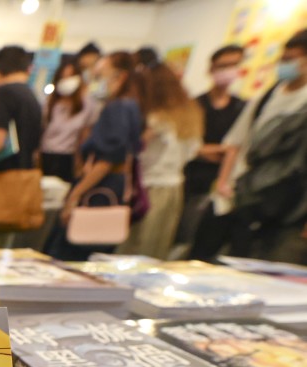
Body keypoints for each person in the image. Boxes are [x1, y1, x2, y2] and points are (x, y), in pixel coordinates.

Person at [191, 30, 307, 263]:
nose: (285, 65)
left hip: (280, 206)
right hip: (236, 193)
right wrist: (224, 183)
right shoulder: (269, 95)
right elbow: (236, 143)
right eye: (283, 59)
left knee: (253, 268)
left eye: (292, 59)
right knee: (202, 258)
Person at [44, 52, 144, 261]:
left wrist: (75, 196)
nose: (96, 82)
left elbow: (107, 161)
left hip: (99, 191)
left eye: (101, 76)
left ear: (120, 76)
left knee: (68, 257)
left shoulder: (118, 108)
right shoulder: (130, 106)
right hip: (111, 188)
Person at [118, 63, 203, 260]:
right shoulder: (189, 114)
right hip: (173, 187)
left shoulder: (156, 119)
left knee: (136, 247)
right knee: (155, 247)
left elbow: (134, 151)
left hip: (150, 186)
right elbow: (193, 151)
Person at [177, 45, 245, 252]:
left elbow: (236, 148)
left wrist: (218, 151)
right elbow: (187, 145)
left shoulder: (242, 107)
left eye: (234, 65)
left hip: (221, 186)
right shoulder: (195, 104)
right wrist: (219, 150)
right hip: (189, 181)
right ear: (211, 68)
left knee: (204, 243)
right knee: (181, 237)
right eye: (223, 65)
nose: (228, 70)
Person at [41, 59, 99, 184]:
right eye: (63, 77)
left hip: (70, 158)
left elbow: (86, 135)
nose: (66, 80)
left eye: (70, 76)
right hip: (47, 156)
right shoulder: (49, 103)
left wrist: (82, 161)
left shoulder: (87, 105)